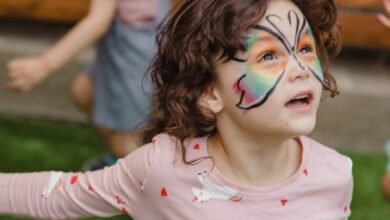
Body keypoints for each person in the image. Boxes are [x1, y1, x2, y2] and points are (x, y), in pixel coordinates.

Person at [0, 0, 353, 219]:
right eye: (269, 55)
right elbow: (61, 195)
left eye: (305, 48)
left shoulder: (336, 176)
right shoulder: (162, 168)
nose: (301, 68)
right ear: (208, 93)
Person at [5, 0, 171, 169]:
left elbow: (98, 21)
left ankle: (132, 176)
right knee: (84, 91)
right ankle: (118, 159)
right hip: (124, 39)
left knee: (125, 142)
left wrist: (44, 65)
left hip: (134, 51)